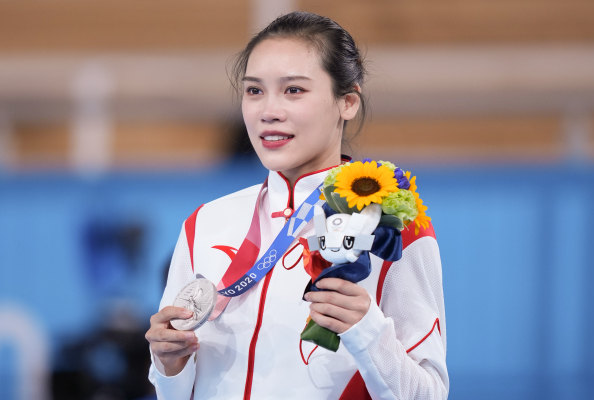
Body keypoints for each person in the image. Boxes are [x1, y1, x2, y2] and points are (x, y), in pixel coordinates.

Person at [145, 11, 448, 400]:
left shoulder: (390, 221)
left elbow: (429, 393)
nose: (268, 111)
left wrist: (368, 331)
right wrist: (169, 367)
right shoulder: (205, 223)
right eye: (254, 91)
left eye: (293, 90)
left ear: (348, 102)